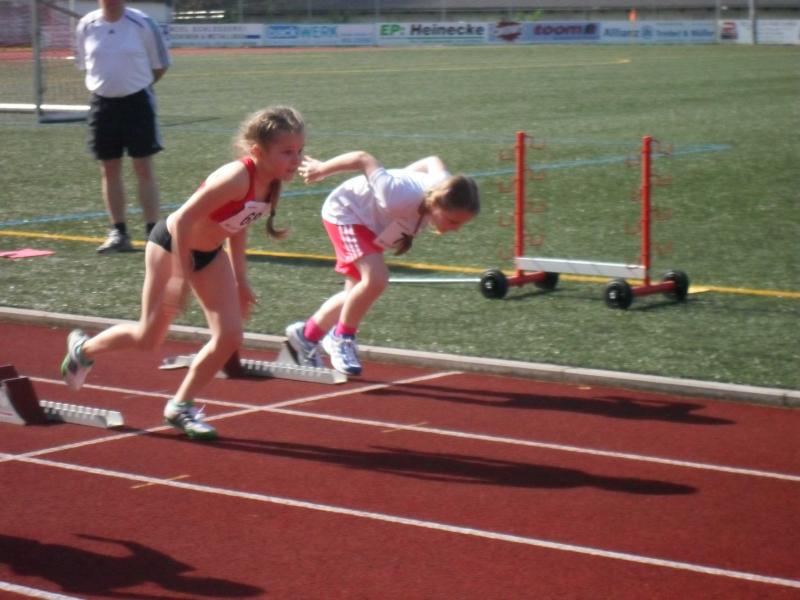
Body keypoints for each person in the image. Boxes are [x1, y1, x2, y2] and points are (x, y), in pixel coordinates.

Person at [60, 106, 306, 440]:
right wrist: (179, 276)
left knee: (230, 336)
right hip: (170, 246)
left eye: (300, 151)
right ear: (258, 151)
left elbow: (239, 224)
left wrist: (240, 278)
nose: (296, 160)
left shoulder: (270, 181)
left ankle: (180, 406)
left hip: (209, 254)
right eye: (287, 152)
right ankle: (83, 351)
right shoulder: (235, 178)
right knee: (149, 337)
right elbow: (184, 221)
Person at [285, 152, 479, 376]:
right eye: (453, 221)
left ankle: (306, 337)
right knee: (376, 279)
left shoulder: (443, 184)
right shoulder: (395, 196)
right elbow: (363, 158)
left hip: (371, 225)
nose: (455, 229)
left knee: (355, 295)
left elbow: (432, 160)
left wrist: (403, 174)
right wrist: (322, 169)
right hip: (346, 212)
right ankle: (342, 337)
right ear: (435, 204)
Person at [74, 0, 171, 253]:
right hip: (101, 104)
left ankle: (153, 233)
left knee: (143, 167)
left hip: (137, 102)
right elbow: (85, 64)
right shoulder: (86, 25)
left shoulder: (142, 23)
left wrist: (135, 85)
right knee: (109, 168)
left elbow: (160, 65)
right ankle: (118, 232)